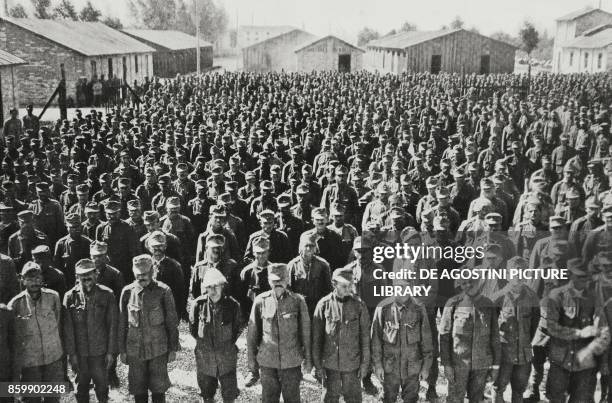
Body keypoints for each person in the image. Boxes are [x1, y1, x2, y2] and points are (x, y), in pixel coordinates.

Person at [542, 258, 610, 402]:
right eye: (580, 276)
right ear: (571, 275)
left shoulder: (593, 297)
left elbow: (603, 330)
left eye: (586, 276)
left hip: (584, 364)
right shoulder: (557, 295)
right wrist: (578, 333)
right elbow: (551, 327)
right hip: (560, 361)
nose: (584, 280)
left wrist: (595, 352)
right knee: (556, 398)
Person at [246, 263, 312, 403]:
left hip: (291, 362)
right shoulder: (260, 301)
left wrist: (308, 359)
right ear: (269, 281)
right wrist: (252, 363)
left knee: (292, 399)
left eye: (281, 280)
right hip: (268, 362)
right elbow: (252, 334)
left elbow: (305, 332)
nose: (278, 283)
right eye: (274, 280)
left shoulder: (298, 301)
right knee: (269, 399)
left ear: (288, 280)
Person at [118, 254, 180, 403]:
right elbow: (121, 325)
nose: (142, 277)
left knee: (158, 391)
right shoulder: (127, 292)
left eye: (145, 274)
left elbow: (172, 322)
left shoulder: (164, 291)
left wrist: (172, 349)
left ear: (152, 271)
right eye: (138, 275)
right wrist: (122, 351)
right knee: (139, 392)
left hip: (158, 350)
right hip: (135, 351)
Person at [62, 259, 118, 403]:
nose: (86, 278)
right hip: (80, 355)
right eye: (82, 275)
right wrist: (72, 354)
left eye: (90, 274)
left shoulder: (107, 295)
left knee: (102, 388)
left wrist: (111, 352)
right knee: (81, 390)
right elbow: (67, 330)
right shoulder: (69, 297)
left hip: (100, 353)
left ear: (96, 274)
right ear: (76, 277)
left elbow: (113, 326)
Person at [312, 266, 370, 403]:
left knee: (354, 398)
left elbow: (365, 338)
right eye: (344, 286)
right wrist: (318, 365)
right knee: (330, 398)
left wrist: (364, 364)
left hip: (352, 366)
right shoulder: (323, 305)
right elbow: (316, 339)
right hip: (330, 366)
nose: (348, 289)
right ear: (334, 284)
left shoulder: (359, 306)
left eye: (350, 285)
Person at [371, 276, 434, 403]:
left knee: (411, 399)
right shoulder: (383, 308)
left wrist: (426, 367)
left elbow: (426, 341)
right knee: (388, 398)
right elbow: (376, 341)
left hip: (412, 368)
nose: (400, 290)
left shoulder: (419, 308)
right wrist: (378, 365)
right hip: (390, 368)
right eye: (397, 287)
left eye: (404, 287)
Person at [8, 262, 64, 403]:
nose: (34, 282)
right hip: (30, 363)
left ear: (42, 278)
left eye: (37, 278)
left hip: (53, 358)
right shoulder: (15, 304)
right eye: (30, 279)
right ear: (23, 280)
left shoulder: (53, 297)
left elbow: (58, 321)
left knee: (53, 398)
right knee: (32, 399)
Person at [439, 276, 500, 403]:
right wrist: (447, 365)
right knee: (455, 399)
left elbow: (495, 337)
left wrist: (495, 366)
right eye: (463, 283)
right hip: (458, 364)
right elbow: (444, 337)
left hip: (481, 365)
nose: (468, 285)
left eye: (471, 282)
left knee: (477, 399)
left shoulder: (488, 304)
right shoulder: (453, 303)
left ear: (478, 282)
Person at [189, 268, 241, 403]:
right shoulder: (198, 305)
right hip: (205, 358)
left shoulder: (233, 305)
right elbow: (193, 330)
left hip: (226, 358)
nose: (213, 290)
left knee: (229, 395)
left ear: (222, 286)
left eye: (216, 286)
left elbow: (236, 329)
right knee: (207, 395)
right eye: (209, 287)